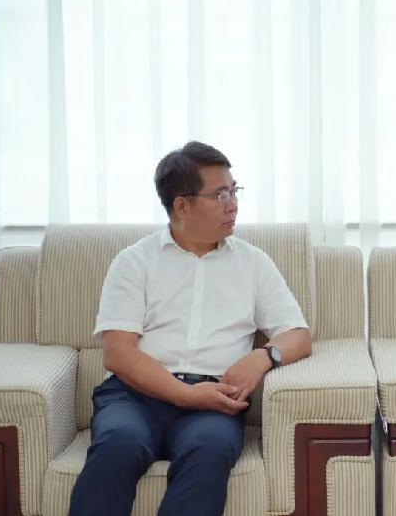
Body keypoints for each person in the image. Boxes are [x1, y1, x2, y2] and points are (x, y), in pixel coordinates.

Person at [69, 141, 312, 516]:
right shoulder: (134, 262)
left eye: (234, 191)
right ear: (181, 205)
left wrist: (264, 357)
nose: (233, 204)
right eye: (220, 195)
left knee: (209, 450)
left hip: (214, 400)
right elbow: (118, 353)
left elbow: (298, 334)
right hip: (135, 396)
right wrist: (185, 394)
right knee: (118, 445)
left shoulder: (252, 263)